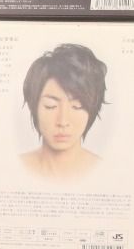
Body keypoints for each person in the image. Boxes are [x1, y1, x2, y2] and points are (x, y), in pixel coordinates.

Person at [20, 43, 107, 175]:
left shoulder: (106, 171)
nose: (63, 121)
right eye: (50, 106)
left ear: (92, 109)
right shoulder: (15, 168)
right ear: (34, 106)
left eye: (77, 106)